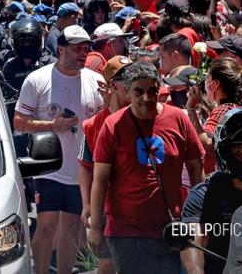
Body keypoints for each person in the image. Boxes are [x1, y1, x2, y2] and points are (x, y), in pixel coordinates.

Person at [89, 62, 205, 274]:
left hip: (172, 228)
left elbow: (196, 166)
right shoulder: (113, 125)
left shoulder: (178, 118)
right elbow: (100, 179)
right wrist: (95, 227)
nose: (146, 98)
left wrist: (199, 217)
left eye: (152, 91)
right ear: (128, 92)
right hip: (127, 232)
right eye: (139, 92)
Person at [14, 25, 104, 274]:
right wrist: (53, 125)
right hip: (48, 167)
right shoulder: (38, 79)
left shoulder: (96, 81)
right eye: (77, 49)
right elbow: (19, 122)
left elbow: (104, 122)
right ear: (61, 50)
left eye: (86, 49)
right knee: (46, 225)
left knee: (72, 228)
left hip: (80, 171)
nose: (82, 54)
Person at [78, 55, 133, 274]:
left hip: (137, 203)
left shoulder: (145, 116)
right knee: (107, 265)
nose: (130, 82)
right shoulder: (93, 125)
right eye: (124, 78)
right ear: (111, 85)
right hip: (107, 204)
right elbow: (85, 165)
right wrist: (87, 205)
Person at [182, 108, 242, 274]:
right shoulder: (203, 195)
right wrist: (196, 270)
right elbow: (196, 239)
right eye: (240, 152)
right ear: (225, 153)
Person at [187, 58, 242, 173]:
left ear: (215, 84)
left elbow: (208, 144)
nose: (205, 83)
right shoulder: (234, 107)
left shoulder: (224, 109)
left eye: (208, 79)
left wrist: (191, 109)